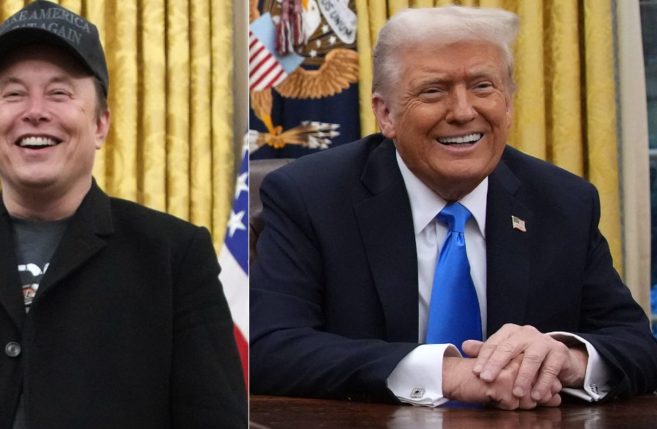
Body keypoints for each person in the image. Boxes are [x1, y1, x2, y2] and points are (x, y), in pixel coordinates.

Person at [0, 1, 246, 427]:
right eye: (13, 93)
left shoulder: (175, 257)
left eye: (59, 92)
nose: (35, 110)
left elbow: (214, 417)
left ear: (101, 124)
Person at [250, 5, 657, 410]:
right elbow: (270, 347)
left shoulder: (564, 202)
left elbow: (636, 345)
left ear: (509, 103)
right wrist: (448, 373)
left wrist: (566, 360)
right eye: (433, 90)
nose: (464, 112)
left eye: (483, 87)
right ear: (385, 114)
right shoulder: (310, 197)